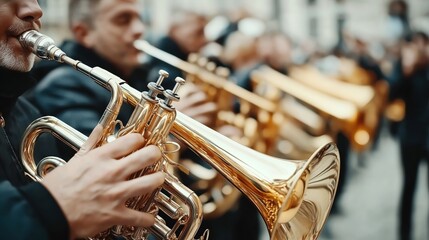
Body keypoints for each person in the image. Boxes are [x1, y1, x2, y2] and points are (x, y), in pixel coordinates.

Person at [0, 0, 165, 239]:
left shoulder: (28, 113)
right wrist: (47, 210)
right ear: (83, 33)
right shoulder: (62, 86)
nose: (35, 10)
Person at [388, 31, 429, 240]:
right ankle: (405, 234)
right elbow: (392, 94)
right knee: (409, 186)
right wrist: (406, 70)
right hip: (411, 136)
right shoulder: (402, 66)